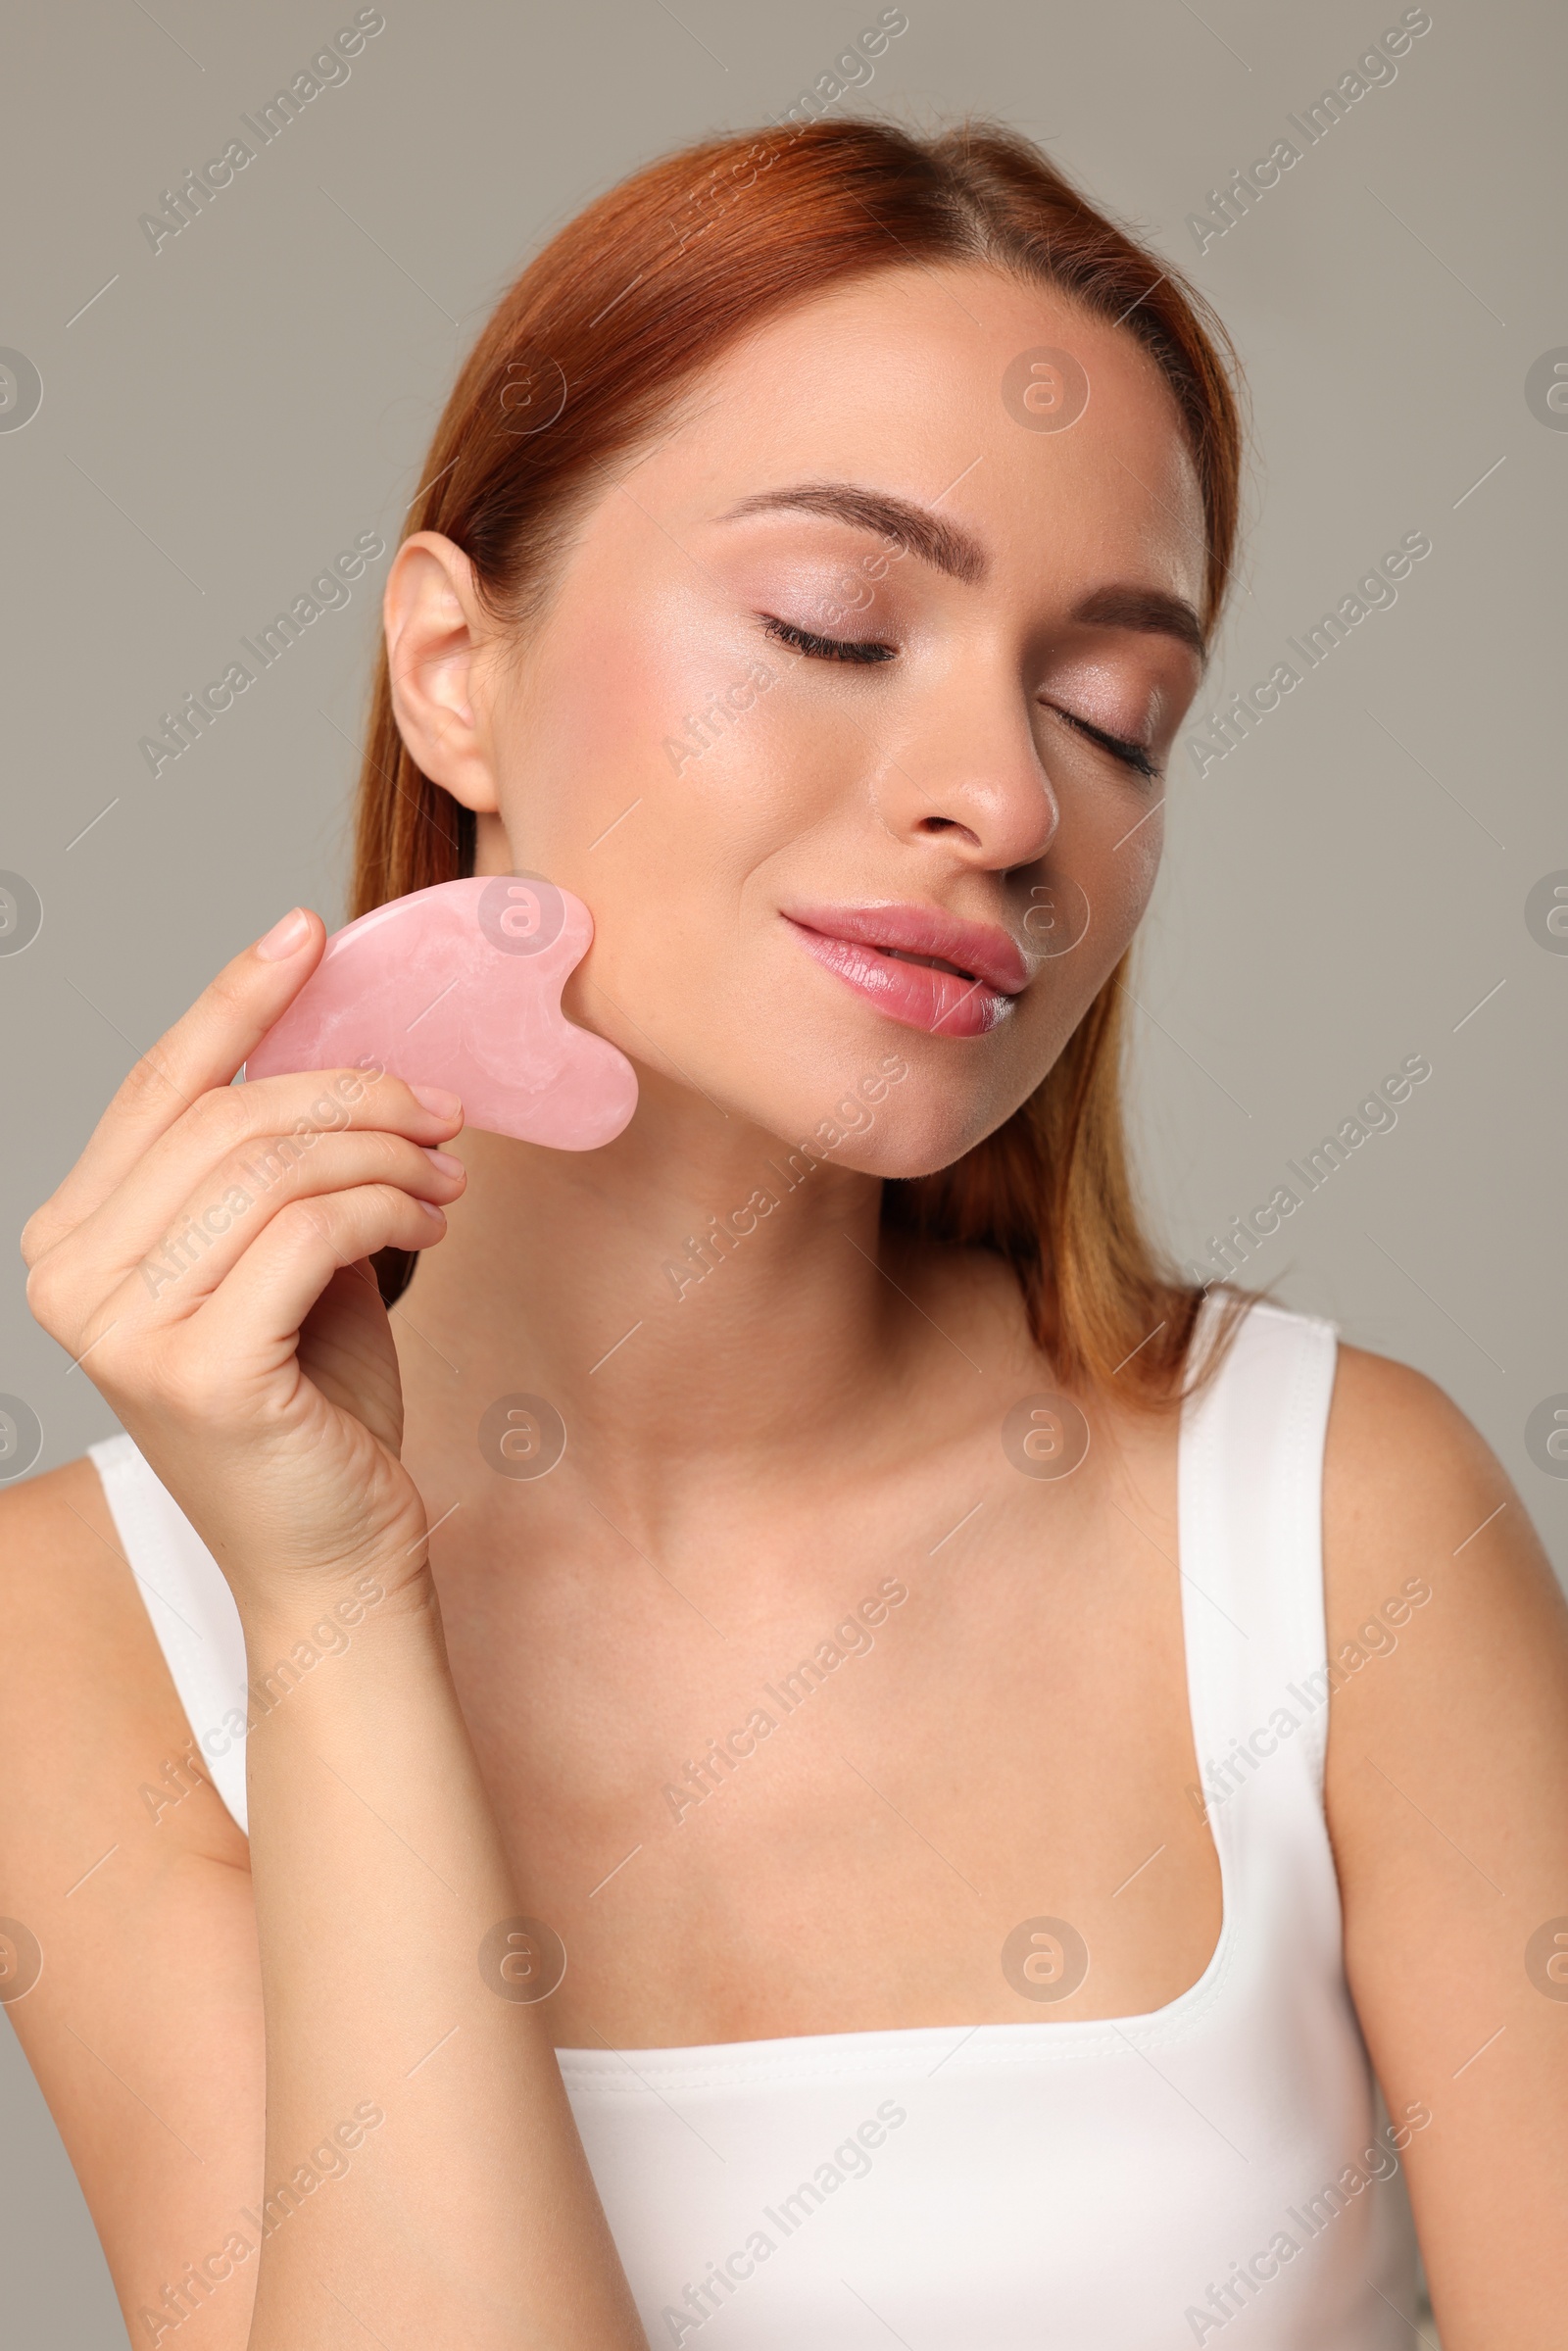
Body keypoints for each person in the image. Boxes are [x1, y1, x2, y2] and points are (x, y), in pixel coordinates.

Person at [4, 118, 1564, 2351]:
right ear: (454, 668)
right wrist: (336, 1606)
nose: (1008, 804)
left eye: (1115, 714)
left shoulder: (1335, 1520)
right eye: (836, 627)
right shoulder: (74, 1633)